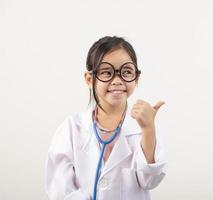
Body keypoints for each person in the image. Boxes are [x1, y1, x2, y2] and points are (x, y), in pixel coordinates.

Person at [45, 36, 166, 200]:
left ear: (136, 78)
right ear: (90, 79)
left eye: (126, 72)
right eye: (106, 72)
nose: (117, 80)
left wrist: (148, 129)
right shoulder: (71, 128)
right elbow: (59, 189)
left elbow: (149, 181)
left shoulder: (144, 126)